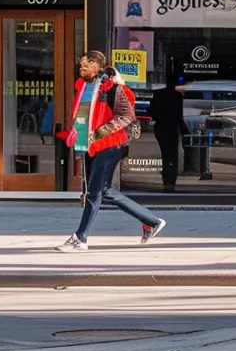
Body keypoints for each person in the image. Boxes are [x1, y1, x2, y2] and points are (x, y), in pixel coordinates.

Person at [56, 53, 166, 252]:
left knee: (94, 193)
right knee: (103, 191)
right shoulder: (83, 86)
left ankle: (80, 238)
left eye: (87, 62)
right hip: (93, 146)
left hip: (110, 146)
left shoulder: (114, 87)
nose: (82, 64)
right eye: (81, 61)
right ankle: (151, 221)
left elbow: (126, 116)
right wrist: (74, 134)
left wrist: (96, 134)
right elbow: (85, 117)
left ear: (98, 66)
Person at [148, 71, 188, 193]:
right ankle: (170, 183)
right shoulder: (176, 96)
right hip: (171, 126)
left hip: (161, 126)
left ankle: (167, 182)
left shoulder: (158, 94)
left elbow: (152, 112)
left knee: (166, 155)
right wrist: (183, 129)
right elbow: (178, 115)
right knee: (171, 156)